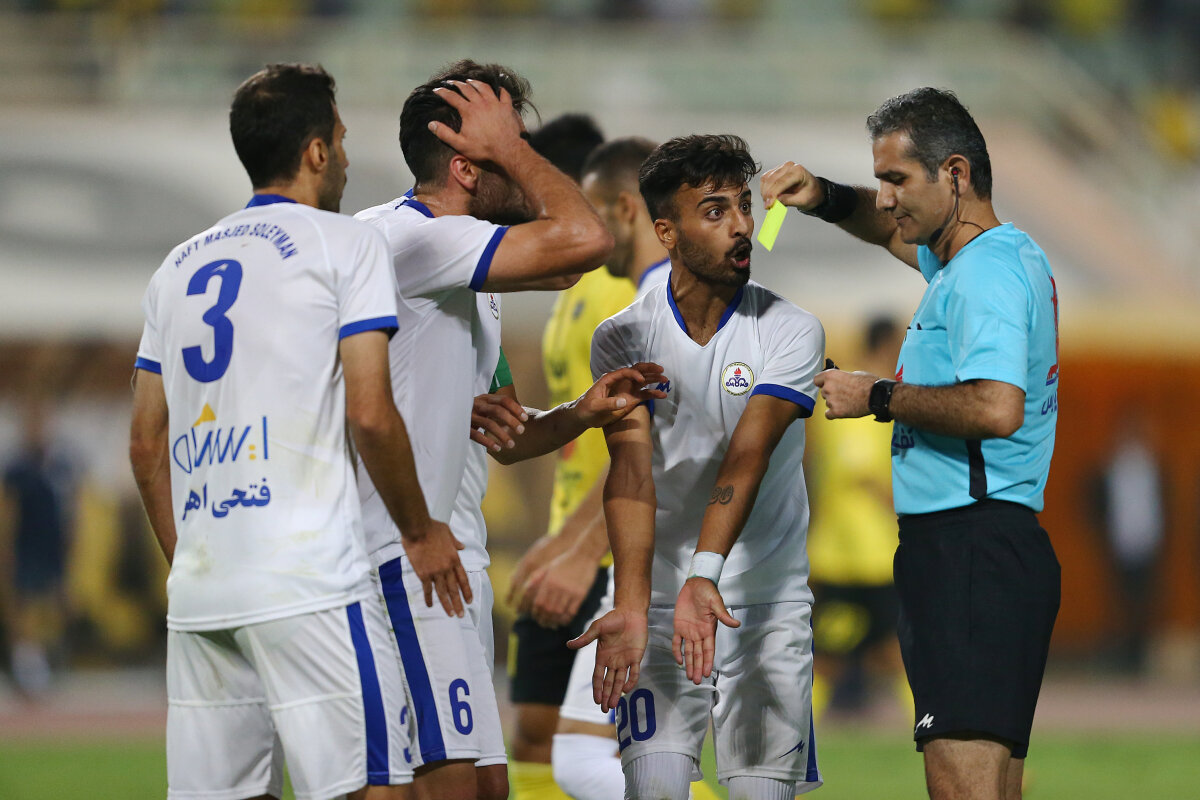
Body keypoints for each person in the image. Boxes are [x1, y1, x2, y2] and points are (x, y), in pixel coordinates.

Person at [354, 61, 663, 800]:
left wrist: (580, 413)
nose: (526, 159)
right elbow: (584, 240)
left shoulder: (464, 267)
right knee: (442, 785)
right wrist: (514, 151)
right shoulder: (419, 240)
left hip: (451, 555)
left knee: (491, 785)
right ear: (467, 165)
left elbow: (509, 433)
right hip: (401, 552)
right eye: (508, 145)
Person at [129, 63, 425, 800]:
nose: (347, 157)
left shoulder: (176, 268)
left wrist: (192, 564)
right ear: (317, 151)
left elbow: (145, 444)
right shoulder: (344, 244)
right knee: (373, 788)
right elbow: (370, 412)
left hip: (202, 594)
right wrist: (422, 532)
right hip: (310, 578)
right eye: (342, 140)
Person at [761, 87, 1061, 800]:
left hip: (970, 551)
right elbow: (885, 229)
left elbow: (996, 407)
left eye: (897, 179)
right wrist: (822, 196)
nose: (886, 198)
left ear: (955, 174)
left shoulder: (982, 274)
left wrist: (877, 396)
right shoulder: (990, 256)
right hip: (986, 550)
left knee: (962, 787)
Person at [572, 134, 826, 800]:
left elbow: (748, 453)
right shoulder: (622, 336)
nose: (741, 225)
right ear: (667, 232)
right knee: (654, 790)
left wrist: (704, 574)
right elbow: (631, 474)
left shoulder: (791, 330)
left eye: (743, 206)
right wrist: (631, 605)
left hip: (765, 606)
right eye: (715, 211)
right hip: (660, 603)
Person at [506, 130, 675, 800]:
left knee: (586, 753)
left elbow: (655, 443)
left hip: (618, 547)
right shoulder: (586, 289)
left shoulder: (630, 298)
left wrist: (582, 552)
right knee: (545, 738)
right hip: (591, 535)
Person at [806, 316, 909, 719]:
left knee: (838, 650)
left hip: (840, 548)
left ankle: (799, 731)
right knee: (892, 647)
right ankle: (933, 729)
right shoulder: (864, 395)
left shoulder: (844, 395)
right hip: (866, 550)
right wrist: (913, 510)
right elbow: (861, 470)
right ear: (885, 346)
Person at [1, 402, 77, 699]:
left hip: (53, 551)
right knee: (24, 616)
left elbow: (69, 513)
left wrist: (71, 550)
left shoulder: (60, 465)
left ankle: (47, 670)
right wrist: (6, 556)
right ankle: (26, 674)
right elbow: (8, 516)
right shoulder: (17, 469)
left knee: (52, 614)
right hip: (26, 549)